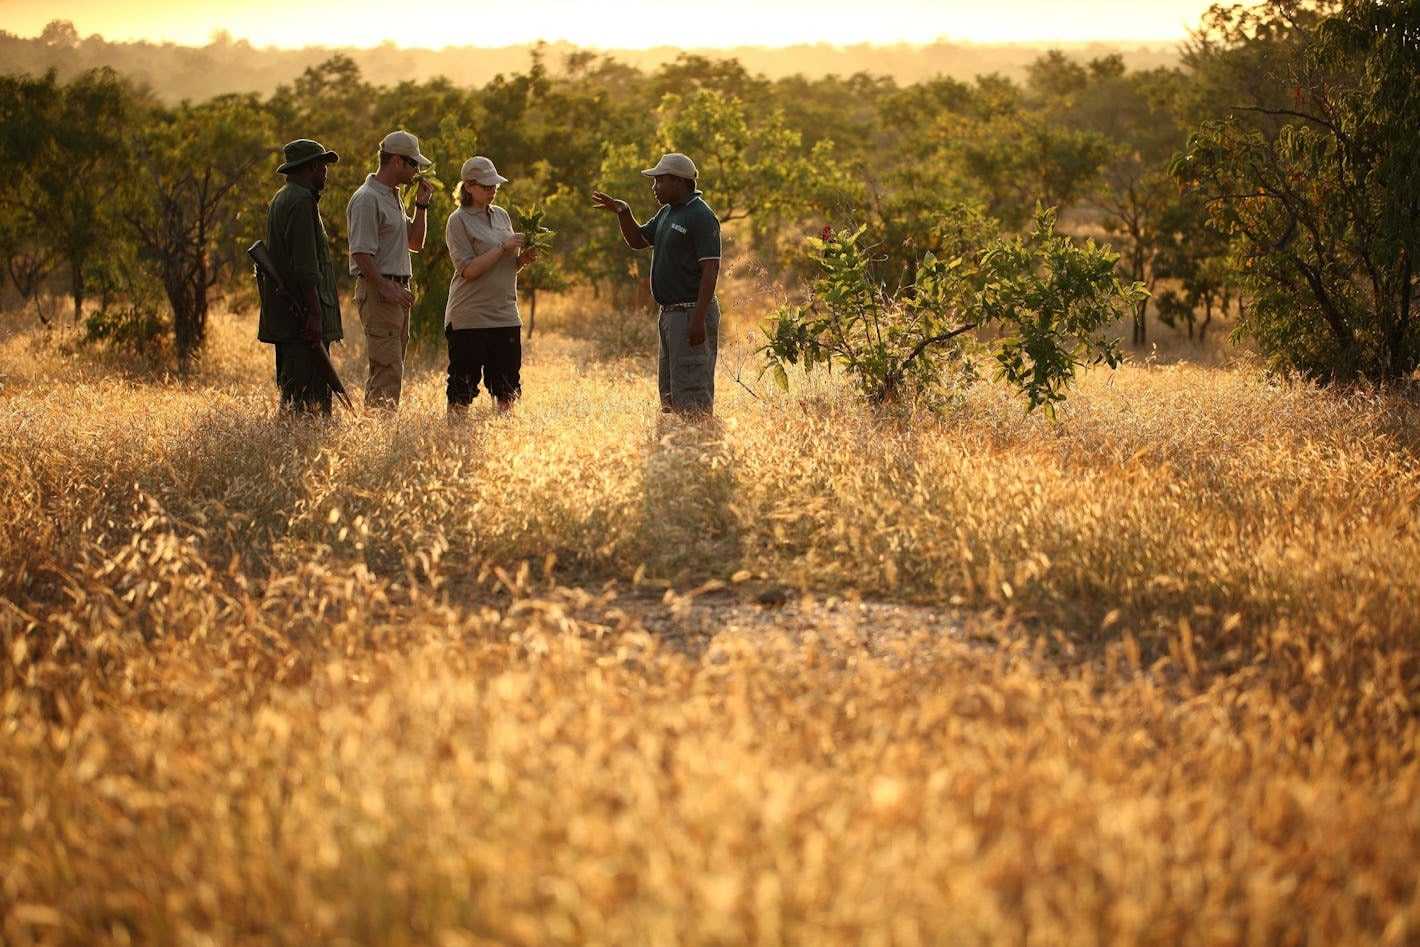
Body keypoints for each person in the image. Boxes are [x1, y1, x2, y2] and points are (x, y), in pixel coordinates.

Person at [592, 153, 721, 415]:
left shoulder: (701, 216)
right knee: (671, 391)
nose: (654, 187)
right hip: (670, 315)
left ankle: (699, 445)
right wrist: (623, 213)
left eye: (660, 181)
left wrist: (697, 319)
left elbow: (711, 269)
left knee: (692, 389)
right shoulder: (667, 213)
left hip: (690, 312)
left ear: (679, 182)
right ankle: (679, 446)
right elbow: (639, 240)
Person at [346, 130, 435, 410]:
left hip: (396, 293)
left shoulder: (392, 196)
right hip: (380, 292)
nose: (417, 171)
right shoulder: (367, 198)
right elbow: (360, 253)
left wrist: (421, 206)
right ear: (396, 161)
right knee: (387, 369)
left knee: (392, 367)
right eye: (413, 164)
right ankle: (376, 438)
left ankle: (379, 432)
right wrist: (386, 287)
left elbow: (415, 243)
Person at [443, 156, 537, 415]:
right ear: (469, 186)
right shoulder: (458, 221)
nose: (492, 190)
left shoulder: (502, 216)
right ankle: (454, 438)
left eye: (494, 185)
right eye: (486, 186)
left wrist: (521, 260)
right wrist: (502, 247)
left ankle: (504, 435)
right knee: (462, 386)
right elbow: (469, 270)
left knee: (507, 386)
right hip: (470, 318)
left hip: (505, 314)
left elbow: (505, 264)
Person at [257, 138, 343, 414]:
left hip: (291, 321)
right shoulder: (301, 201)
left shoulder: (283, 198)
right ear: (312, 167)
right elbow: (306, 268)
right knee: (310, 406)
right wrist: (315, 315)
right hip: (301, 322)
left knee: (294, 399)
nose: (325, 173)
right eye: (323, 166)